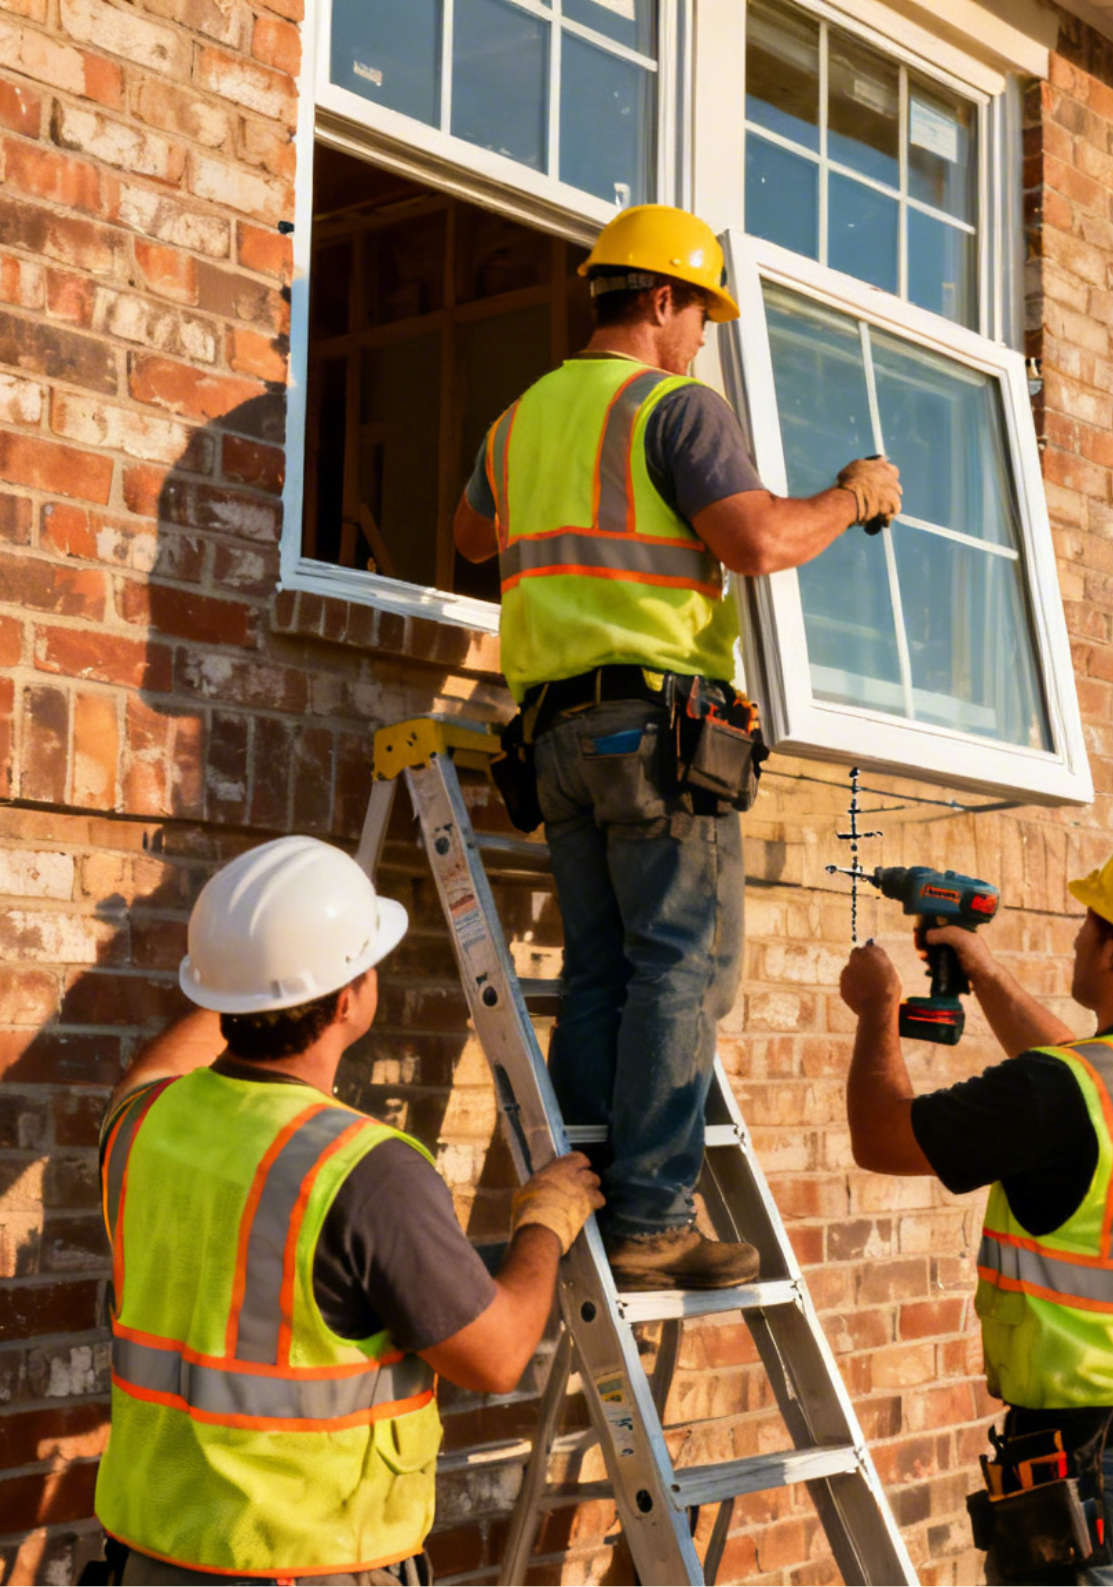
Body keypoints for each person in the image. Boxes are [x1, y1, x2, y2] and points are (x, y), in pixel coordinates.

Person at [451, 204, 901, 1290]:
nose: (704, 339)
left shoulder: (518, 421)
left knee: (607, 968)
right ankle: (652, 1216)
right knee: (682, 973)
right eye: (702, 314)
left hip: (555, 738)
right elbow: (755, 541)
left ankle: (592, 1187)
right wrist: (851, 497)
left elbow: (471, 540)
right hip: (653, 735)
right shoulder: (674, 407)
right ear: (661, 300)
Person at [94, 836, 604, 1585]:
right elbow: (495, 1356)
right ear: (347, 1000)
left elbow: (164, 1064)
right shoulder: (365, 1169)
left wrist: (248, 966)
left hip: (153, 1561)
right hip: (309, 1566)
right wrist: (544, 1223)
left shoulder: (142, 1123)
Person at [837, 834, 1113, 1586]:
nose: (1077, 932)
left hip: (1101, 1474)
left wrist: (878, 1007)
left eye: (1090, 919)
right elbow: (1088, 1075)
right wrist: (987, 973)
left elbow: (880, 1136)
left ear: (1112, 952)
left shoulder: (1061, 1090)